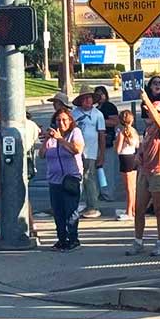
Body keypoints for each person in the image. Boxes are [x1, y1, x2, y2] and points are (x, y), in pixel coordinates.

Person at [127, 91, 160, 257]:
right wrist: (138, 157)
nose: (149, 112)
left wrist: (146, 98)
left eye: (153, 110)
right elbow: (143, 150)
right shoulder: (148, 131)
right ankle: (138, 242)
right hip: (145, 172)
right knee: (139, 209)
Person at [40, 108, 85, 251]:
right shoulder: (51, 137)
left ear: (70, 121)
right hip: (54, 179)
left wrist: (60, 139)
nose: (61, 123)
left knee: (70, 210)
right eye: (58, 120)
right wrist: (48, 139)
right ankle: (61, 238)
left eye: (64, 120)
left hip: (71, 177)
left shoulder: (75, 133)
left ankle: (73, 238)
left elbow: (77, 149)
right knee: (58, 211)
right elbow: (41, 154)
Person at [72, 85, 107, 219]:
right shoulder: (74, 114)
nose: (87, 101)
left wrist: (101, 154)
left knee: (89, 178)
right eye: (85, 98)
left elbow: (101, 135)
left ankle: (93, 206)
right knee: (76, 179)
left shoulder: (98, 115)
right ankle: (79, 204)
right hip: (75, 151)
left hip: (91, 151)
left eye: (89, 98)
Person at [115, 110, 140, 221]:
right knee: (133, 187)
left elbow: (118, 150)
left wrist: (117, 141)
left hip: (125, 158)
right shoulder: (134, 131)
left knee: (128, 188)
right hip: (133, 157)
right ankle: (134, 209)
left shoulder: (121, 133)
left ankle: (129, 211)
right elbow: (138, 145)